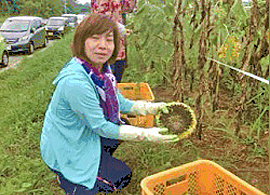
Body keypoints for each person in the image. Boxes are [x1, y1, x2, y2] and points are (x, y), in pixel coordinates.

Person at [40, 13, 179, 195]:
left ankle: (99, 160)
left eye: (109, 39)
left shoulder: (101, 71)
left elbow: (119, 101)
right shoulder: (76, 82)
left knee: (122, 126)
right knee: (122, 176)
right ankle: (70, 181)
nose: (102, 46)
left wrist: (151, 108)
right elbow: (101, 127)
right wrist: (147, 135)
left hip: (80, 134)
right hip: (66, 147)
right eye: (95, 38)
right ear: (81, 42)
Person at [91, 0, 136, 83]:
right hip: (104, 45)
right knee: (106, 80)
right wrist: (118, 28)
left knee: (117, 75)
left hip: (118, 47)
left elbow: (128, 7)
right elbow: (100, 18)